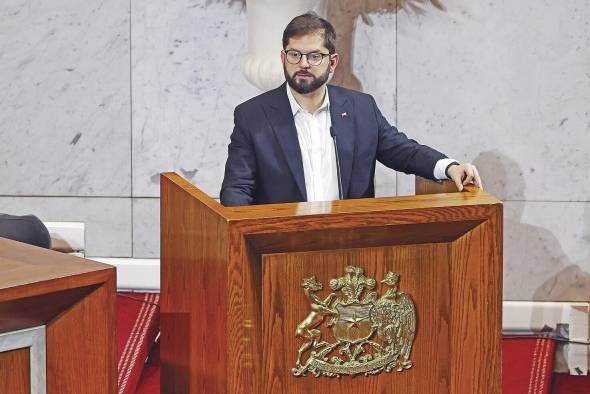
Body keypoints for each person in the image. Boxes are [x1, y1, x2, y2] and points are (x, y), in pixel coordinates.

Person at [220, 13, 482, 207]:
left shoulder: (360, 109)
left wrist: (450, 167)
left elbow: (403, 151)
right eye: (294, 55)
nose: (303, 64)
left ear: (332, 61)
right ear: (282, 58)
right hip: (281, 249)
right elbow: (236, 190)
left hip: (350, 247)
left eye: (314, 56)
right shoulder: (253, 116)